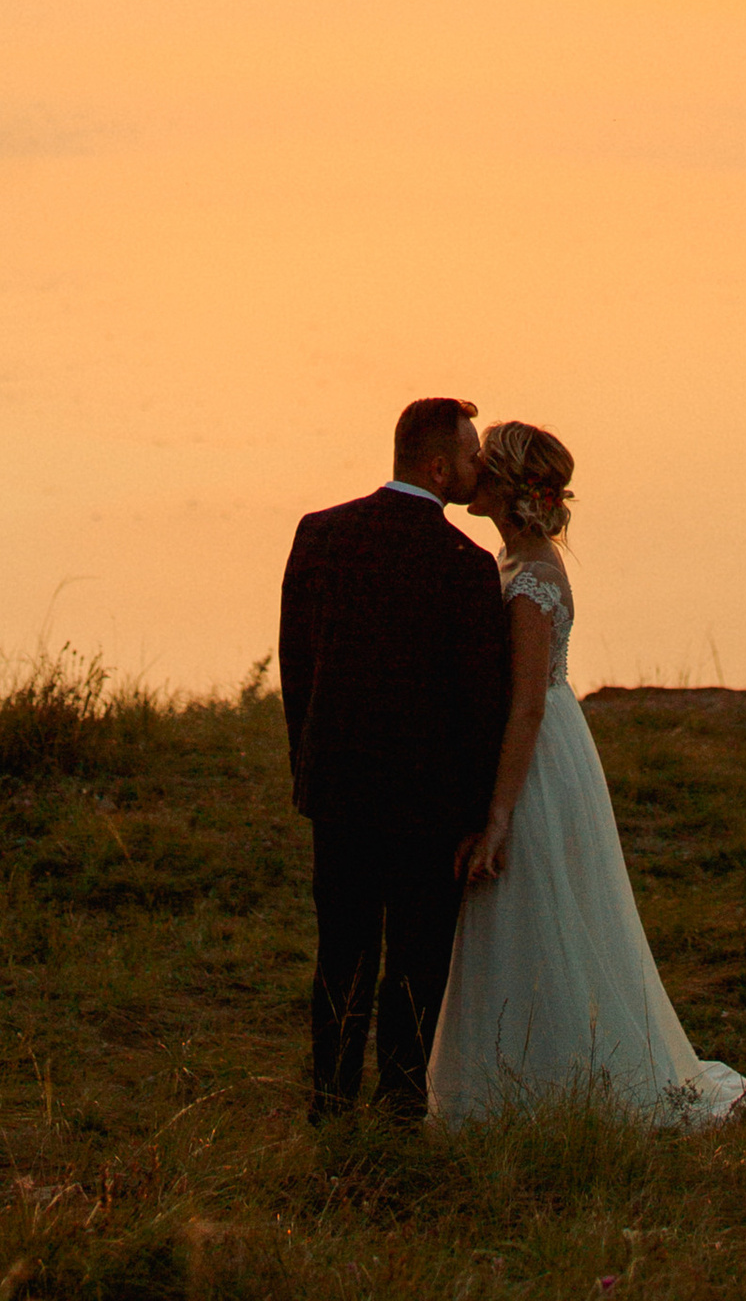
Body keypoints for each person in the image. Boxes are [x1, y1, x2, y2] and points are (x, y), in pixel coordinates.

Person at [427, 419, 746, 1125]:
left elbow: (524, 709)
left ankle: (550, 1081)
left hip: (536, 765)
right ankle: (525, 1071)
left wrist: (498, 814)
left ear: (507, 487)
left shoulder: (533, 579)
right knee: (530, 915)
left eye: (483, 464)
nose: (471, 471)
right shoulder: (520, 562)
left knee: (530, 907)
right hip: (545, 750)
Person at [279, 395, 513, 1119]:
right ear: (439, 467)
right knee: (415, 962)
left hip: (340, 790)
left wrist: (307, 767)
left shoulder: (320, 534)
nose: (481, 466)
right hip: (428, 803)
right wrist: (478, 813)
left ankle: (330, 1104)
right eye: (473, 455)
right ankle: (401, 1104)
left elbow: (297, 665)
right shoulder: (463, 565)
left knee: (341, 955)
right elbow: (481, 705)